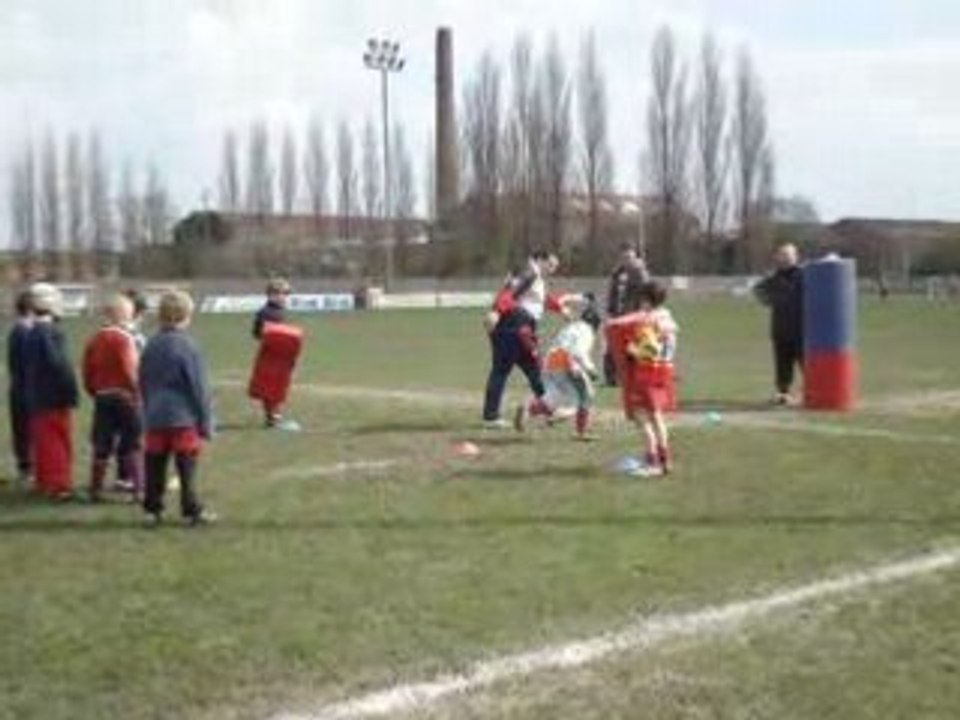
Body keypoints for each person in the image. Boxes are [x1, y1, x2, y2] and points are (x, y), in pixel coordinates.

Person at [139, 290, 216, 526]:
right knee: (186, 467)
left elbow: (142, 379)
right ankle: (191, 510)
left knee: (154, 464)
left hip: (155, 416)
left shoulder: (151, 344)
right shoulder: (187, 346)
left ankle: (152, 510)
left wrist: (147, 408)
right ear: (187, 316)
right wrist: (205, 421)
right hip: (182, 418)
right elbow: (198, 386)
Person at [481, 250, 572, 429]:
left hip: (510, 326)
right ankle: (551, 409)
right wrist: (496, 311)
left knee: (504, 370)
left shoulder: (532, 275)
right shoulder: (529, 272)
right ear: (540, 260)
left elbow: (540, 299)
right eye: (551, 265)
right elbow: (509, 292)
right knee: (534, 368)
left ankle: (491, 416)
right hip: (517, 326)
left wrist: (560, 308)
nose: (552, 270)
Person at [82, 294, 143, 502]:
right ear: (127, 316)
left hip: (102, 397)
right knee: (132, 441)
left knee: (102, 442)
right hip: (125, 397)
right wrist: (137, 392)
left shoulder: (94, 339)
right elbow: (130, 369)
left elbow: (87, 370)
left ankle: (95, 488)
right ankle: (138, 488)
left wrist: (94, 391)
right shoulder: (124, 339)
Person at [515, 297, 602, 440]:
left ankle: (530, 408)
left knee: (555, 397)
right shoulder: (587, 331)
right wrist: (591, 369)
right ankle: (581, 432)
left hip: (551, 360)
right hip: (567, 361)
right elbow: (578, 351)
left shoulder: (571, 327)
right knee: (586, 395)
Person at [23, 283, 79, 500]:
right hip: (54, 397)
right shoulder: (50, 333)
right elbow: (58, 364)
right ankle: (59, 485)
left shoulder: (32, 332)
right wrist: (70, 391)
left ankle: (45, 480)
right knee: (56, 440)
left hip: (37, 396)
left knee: (43, 441)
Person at [623, 281, 679, 477]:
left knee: (641, 416)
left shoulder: (647, 320)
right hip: (665, 370)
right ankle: (665, 459)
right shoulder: (668, 317)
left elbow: (650, 350)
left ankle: (652, 462)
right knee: (657, 416)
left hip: (648, 370)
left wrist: (631, 349)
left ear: (646, 299)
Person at [754, 244, 804, 405]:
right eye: (782, 255)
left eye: (788, 255)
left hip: (802, 329)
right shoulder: (774, 278)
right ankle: (783, 393)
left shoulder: (804, 275)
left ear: (796, 257)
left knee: (807, 363)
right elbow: (758, 290)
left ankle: (814, 391)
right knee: (782, 365)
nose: (785, 258)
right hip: (780, 329)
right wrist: (770, 300)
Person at [251, 277, 296, 428]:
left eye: (286, 294)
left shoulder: (273, 311)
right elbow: (258, 333)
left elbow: (256, 334)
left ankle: (273, 417)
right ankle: (274, 418)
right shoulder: (269, 312)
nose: (285, 297)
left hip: (275, 354)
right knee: (273, 387)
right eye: (283, 293)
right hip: (273, 355)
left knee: (274, 387)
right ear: (272, 294)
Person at [604, 243, 649, 385]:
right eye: (624, 257)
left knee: (633, 347)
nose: (627, 260)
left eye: (630, 257)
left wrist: (642, 312)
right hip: (617, 315)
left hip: (633, 316)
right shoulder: (617, 272)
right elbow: (612, 293)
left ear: (635, 257)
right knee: (612, 346)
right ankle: (611, 378)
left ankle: (633, 375)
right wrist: (610, 311)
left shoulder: (640, 273)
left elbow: (646, 293)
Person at [6, 290, 34, 489]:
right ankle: (27, 469)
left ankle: (26, 467)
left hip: (19, 386)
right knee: (25, 429)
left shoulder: (18, 330)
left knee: (22, 430)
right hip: (25, 388)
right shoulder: (23, 332)